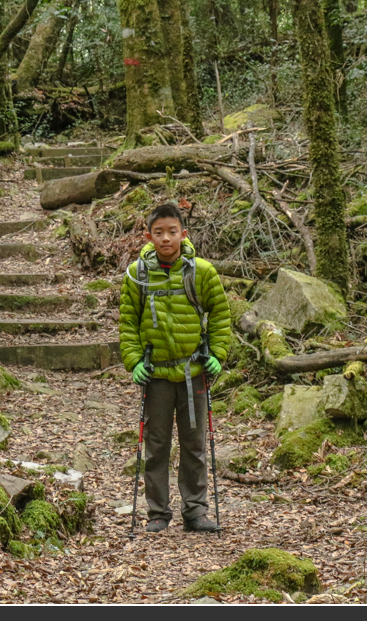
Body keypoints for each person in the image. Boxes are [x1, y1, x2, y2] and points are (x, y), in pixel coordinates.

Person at [118, 202, 230, 533]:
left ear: (183, 233)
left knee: (195, 444)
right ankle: (157, 513)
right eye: (158, 232)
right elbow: (127, 323)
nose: (166, 239)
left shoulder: (202, 272)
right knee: (156, 445)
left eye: (172, 232)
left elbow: (222, 316)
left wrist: (218, 355)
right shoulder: (137, 274)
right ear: (148, 236)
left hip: (194, 371)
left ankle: (195, 512)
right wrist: (135, 361)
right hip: (156, 375)